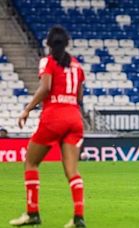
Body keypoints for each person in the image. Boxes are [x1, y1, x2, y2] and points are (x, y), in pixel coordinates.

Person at [9, 26, 86, 228]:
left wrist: (27, 109)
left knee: (31, 162)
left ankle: (32, 213)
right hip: (75, 118)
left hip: (54, 117)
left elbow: (46, 88)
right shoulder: (77, 66)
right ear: (67, 43)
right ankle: (78, 217)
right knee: (72, 171)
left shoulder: (48, 62)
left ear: (49, 44)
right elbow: (79, 97)